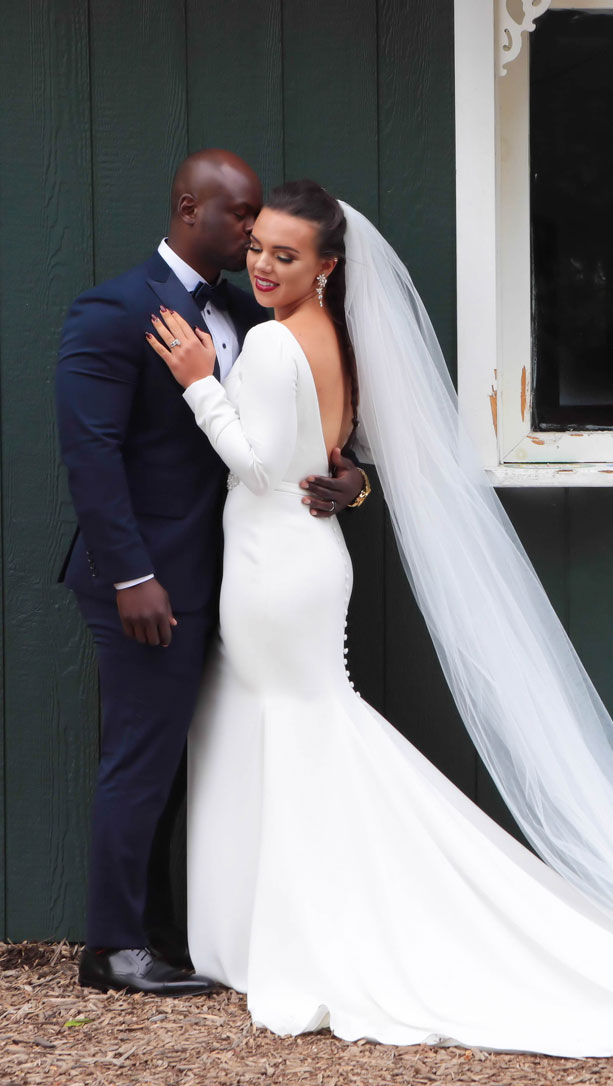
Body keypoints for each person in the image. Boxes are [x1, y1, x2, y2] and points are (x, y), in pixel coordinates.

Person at [147, 179, 613, 1054]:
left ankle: (329, 929)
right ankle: (265, 927)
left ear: (325, 266)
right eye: (259, 248)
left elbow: (263, 467)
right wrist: (351, 477)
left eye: (286, 254)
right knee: (286, 733)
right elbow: (342, 451)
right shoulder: (337, 336)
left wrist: (200, 383)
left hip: (276, 566)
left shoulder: (274, 346)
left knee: (307, 735)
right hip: (301, 562)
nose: (264, 266)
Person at [55, 154, 367, 997]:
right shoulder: (113, 310)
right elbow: (91, 456)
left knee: (196, 761)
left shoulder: (248, 313)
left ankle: (167, 934)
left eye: (270, 233)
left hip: (243, 579)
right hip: (149, 584)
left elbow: (296, 436)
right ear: (190, 208)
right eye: (242, 223)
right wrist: (129, 575)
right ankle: (113, 947)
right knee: (142, 758)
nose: (255, 243)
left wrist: (351, 478)